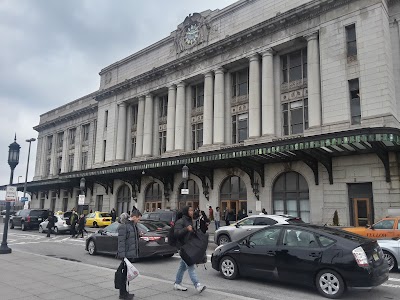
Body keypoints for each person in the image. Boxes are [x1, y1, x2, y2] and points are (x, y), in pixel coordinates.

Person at [173, 206, 206, 293]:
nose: (192, 212)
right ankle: (197, 285)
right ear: (186, 212)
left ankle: (177, 283)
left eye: (192, 210)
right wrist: (186, 229)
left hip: (189, 246)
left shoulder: (190, 221)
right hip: (183, 247)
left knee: (182, 267)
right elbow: (176, 234)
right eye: (190, 210)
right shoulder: (180, 221)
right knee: (190, 266)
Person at [117, 210, 141, 300]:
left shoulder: (133, 225)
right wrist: (122, 255)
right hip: (125, 255)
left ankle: (125, 292)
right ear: (134, 217)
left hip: (130, 254)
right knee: (123, 275)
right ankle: (122, 294)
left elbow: (131, 239)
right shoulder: (124, 226)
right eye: (138, 218)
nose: (138, 220)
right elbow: (121, 241)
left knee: (126, 274)